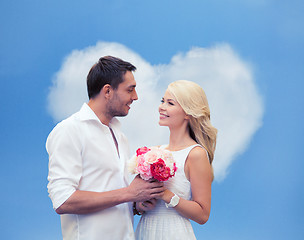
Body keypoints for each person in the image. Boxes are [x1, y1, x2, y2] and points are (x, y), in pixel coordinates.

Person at [46, 56, 164, 240]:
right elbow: (63, 201)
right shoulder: (69, 130)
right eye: (130, 89)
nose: (135, 97)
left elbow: (112, 192)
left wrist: (136, 204)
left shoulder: (120, 136)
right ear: (107, 91)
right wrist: (128, 193)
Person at [134, 80, 217, 240]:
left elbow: (203, 215)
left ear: (187, 112)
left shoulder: (195, 154)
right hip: (146, 231)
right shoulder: (153, 152)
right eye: (162, 101)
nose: (162, 107)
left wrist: (167, 195)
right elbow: (141, 202)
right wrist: (141, 204)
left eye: (170, 103)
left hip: (173, 233)